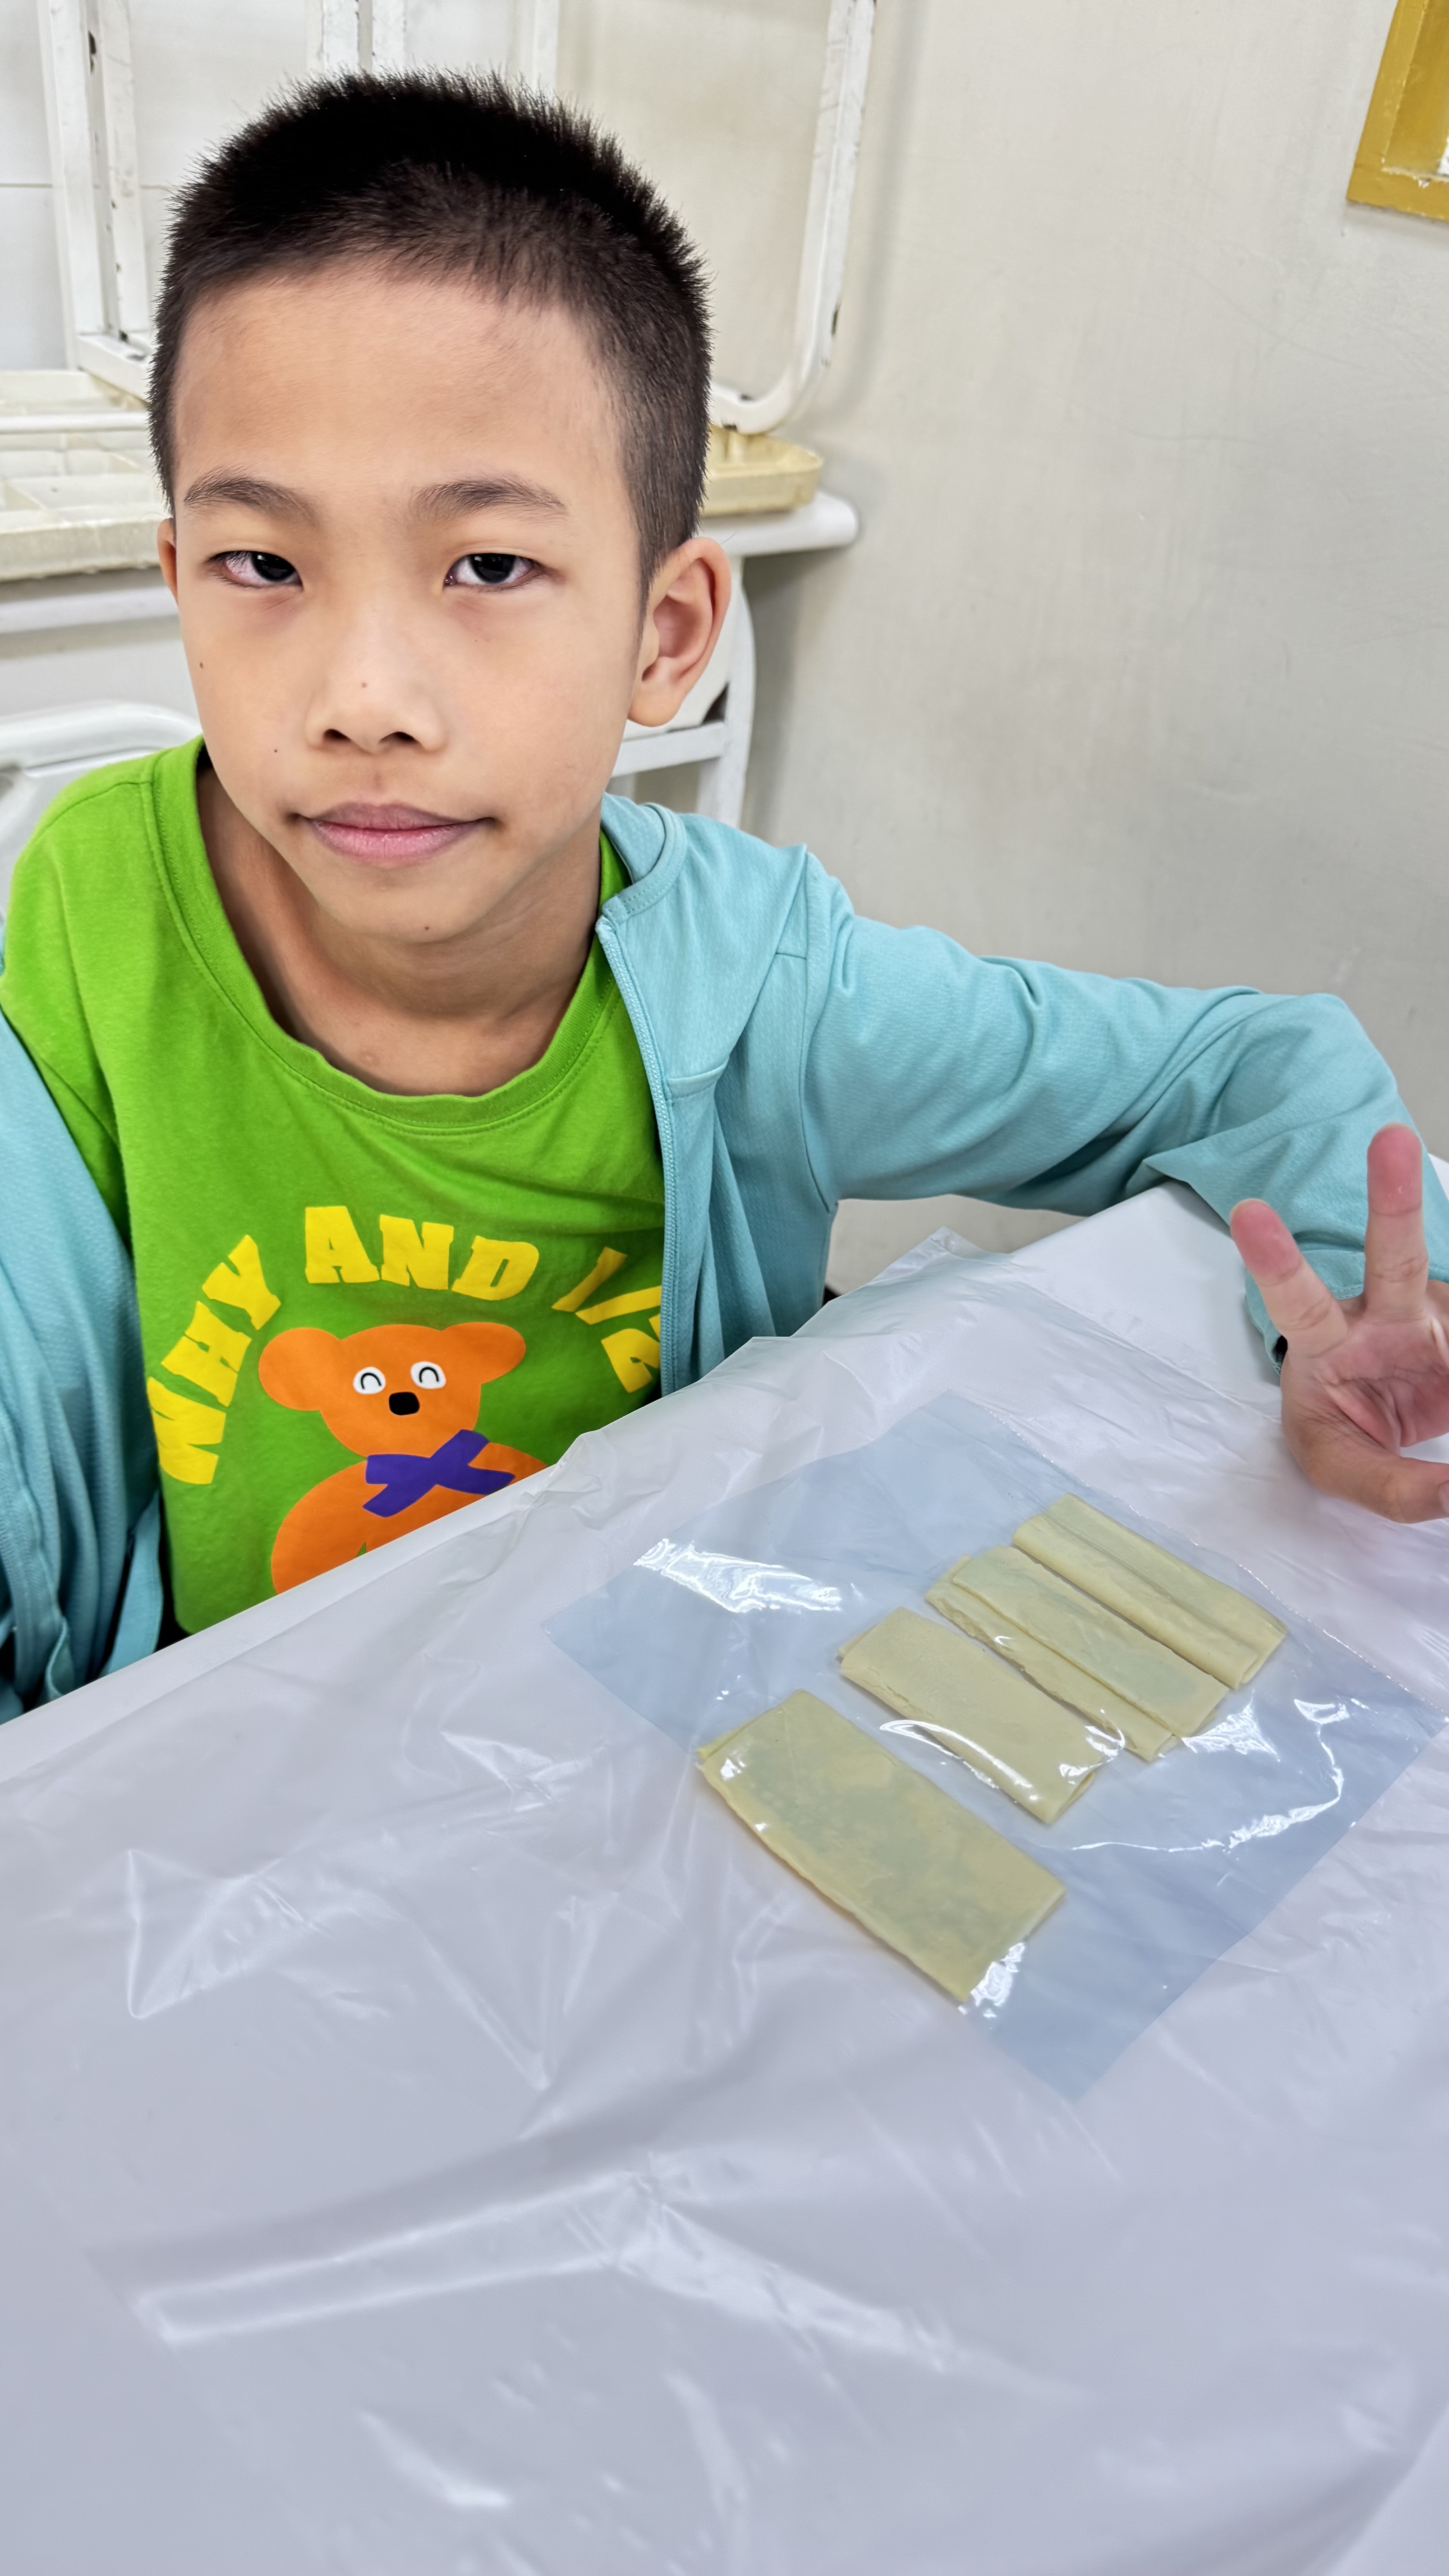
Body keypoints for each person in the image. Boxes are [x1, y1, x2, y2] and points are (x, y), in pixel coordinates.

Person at [0, 74, 1444, 1674]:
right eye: (262, 563)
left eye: (490, 564)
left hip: (635, 1718)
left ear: (666, 634)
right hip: (208, 1738)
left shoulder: (767, 993)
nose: (363, 701)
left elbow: (1250, 1069)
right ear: (178, 579)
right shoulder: (95, 904)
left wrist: (1378, 1302)